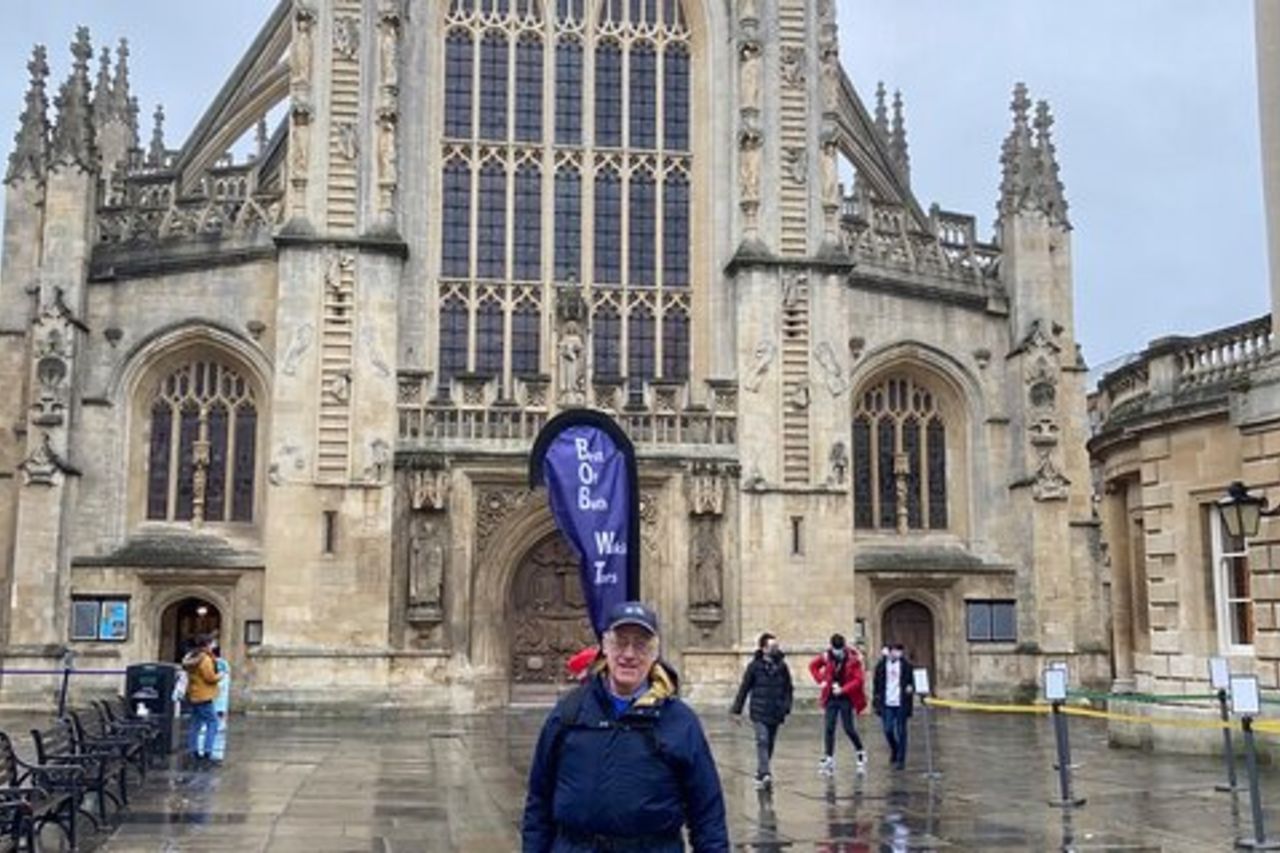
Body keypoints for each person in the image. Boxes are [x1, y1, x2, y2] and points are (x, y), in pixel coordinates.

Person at [521, 601, 729, 852]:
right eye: (620, 642)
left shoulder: (679, 721)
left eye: (640, 645)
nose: (629, 654)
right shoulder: (568, 713)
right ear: (605, 648)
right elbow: (539, 802)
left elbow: (707, 814)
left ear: (654, 655)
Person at [731, 632, 794, 790]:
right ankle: (766, 773)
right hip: (759, 710)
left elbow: (788, 688)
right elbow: (744, 688)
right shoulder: (754, 667)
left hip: (775, 710)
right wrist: (736, 710)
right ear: (763, 648)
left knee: (770, 743)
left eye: (776, 646)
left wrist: (786, 706)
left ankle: (761, 772)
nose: (775, 649)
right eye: (772, 646)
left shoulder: (782, 667)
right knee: (762, 740)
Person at [808, 633, 867, 776]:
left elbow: (859, 680)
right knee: (829, 727)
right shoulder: (827, 656)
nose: (837, 652)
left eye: (839, 649)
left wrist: (843, 689)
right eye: (835, 649)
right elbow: (813, 666)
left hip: (846, 697)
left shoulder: (853, 659)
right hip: (831, 696)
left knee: (848, 728)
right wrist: (821, 680)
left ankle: (860, 751)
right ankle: (829, 757)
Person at [181, 634, 222, 769]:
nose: (214, 645)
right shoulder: (205, 659)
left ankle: (193, 751)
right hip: (204, 695)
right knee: (213, 722)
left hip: (193, 694)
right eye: (212, 643)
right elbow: (209, 677)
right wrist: (220, 676)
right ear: (207, 644)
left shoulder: (191, 657)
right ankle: (207, 753)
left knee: (196, 723)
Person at [872, 643, 915, 770]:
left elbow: (912, 681)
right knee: (888, 729)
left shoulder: (907, 666)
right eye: (896, 651)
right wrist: (876, 699)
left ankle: (901, 760)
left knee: (902, 731)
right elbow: (876, 684)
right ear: (890, 652)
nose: (898, 654)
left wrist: (911, 687)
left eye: (900, 652)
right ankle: (894, 748)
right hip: (887, 703)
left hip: (901, 702)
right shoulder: (881, 666)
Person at [210, 639, 231, 765]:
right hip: (221, 702)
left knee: (207, 727)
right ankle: (217, 753)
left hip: (211, 700)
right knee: (219, 728)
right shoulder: (224, 664)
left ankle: (207, 751)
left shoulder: (212, 663)